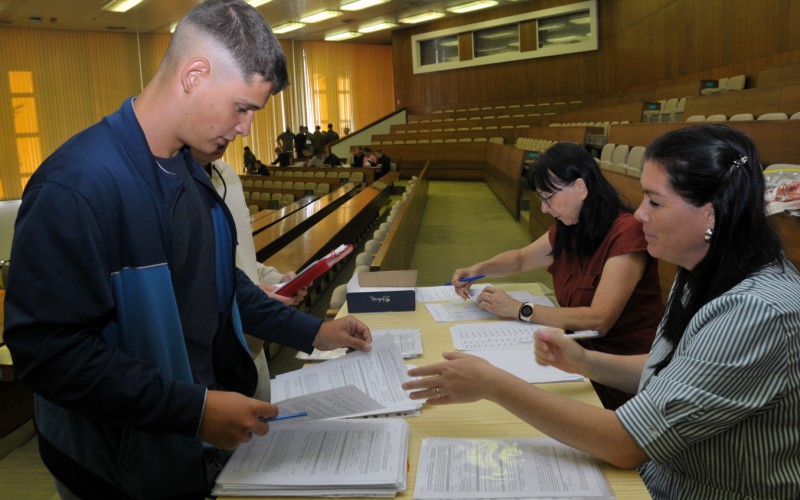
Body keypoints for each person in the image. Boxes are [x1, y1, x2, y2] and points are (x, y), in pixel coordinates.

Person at [3, 2, 372, 499]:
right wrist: (193, 409)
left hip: (190, 444)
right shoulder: (77, 186)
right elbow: (49, 355)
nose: (246, 128)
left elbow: (223, 287)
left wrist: (314, 330)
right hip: (116, 468)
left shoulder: (193, 173)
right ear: (195, 74)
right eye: (243, 108)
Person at [404, 125, 800, 499]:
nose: (641, 213)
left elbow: (625, 444)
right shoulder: (699, 268)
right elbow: (668, 367)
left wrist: (493, 385)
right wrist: (584, 360)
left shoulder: (756, 311)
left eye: (655, 201)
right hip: (660, 471)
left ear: (711, 214)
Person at [449, 142, 663, 409]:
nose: (544, 209)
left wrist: (520, 309)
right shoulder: (570, 225)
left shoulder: (626, 232)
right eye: (541, 198)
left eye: (548, 197)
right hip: (576, 353)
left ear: (581, 187)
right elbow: (520, 258)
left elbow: (599, 320)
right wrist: (477, 269)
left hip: (621, 372)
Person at [194, 148, 307, 403]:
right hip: (216, 361)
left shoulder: (228, 176)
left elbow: (243, 259)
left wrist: (276, 279)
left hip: (255, 348)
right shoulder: (172, 186)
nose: (240, 129)